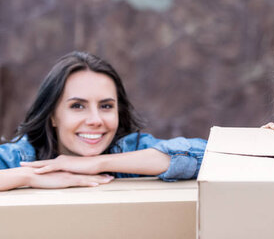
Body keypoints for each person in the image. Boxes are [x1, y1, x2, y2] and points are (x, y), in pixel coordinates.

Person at [0, 51, 207, 191]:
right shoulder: (19, 156)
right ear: (53, 115)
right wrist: (27, 176)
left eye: (106, 106)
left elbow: (210, 157)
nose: (95, 120)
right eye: (78, 106)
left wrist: (98, 163)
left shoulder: (127, 150)